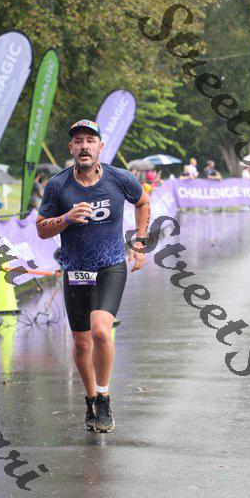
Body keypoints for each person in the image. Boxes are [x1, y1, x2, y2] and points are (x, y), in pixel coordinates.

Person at [36, 119, 150, 433]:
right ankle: (90, 400)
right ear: (71, 148)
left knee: (101, 330)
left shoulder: (120, 178)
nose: (84, 146)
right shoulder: (58, 186)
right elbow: (41, 229)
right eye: (78, 141)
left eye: (90, 140)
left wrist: (140, 242)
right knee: (82, 344)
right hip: (75, 270)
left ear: (100, 147)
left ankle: (104, 397)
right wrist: (66, 218)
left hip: (110, 266)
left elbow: (142, 203)